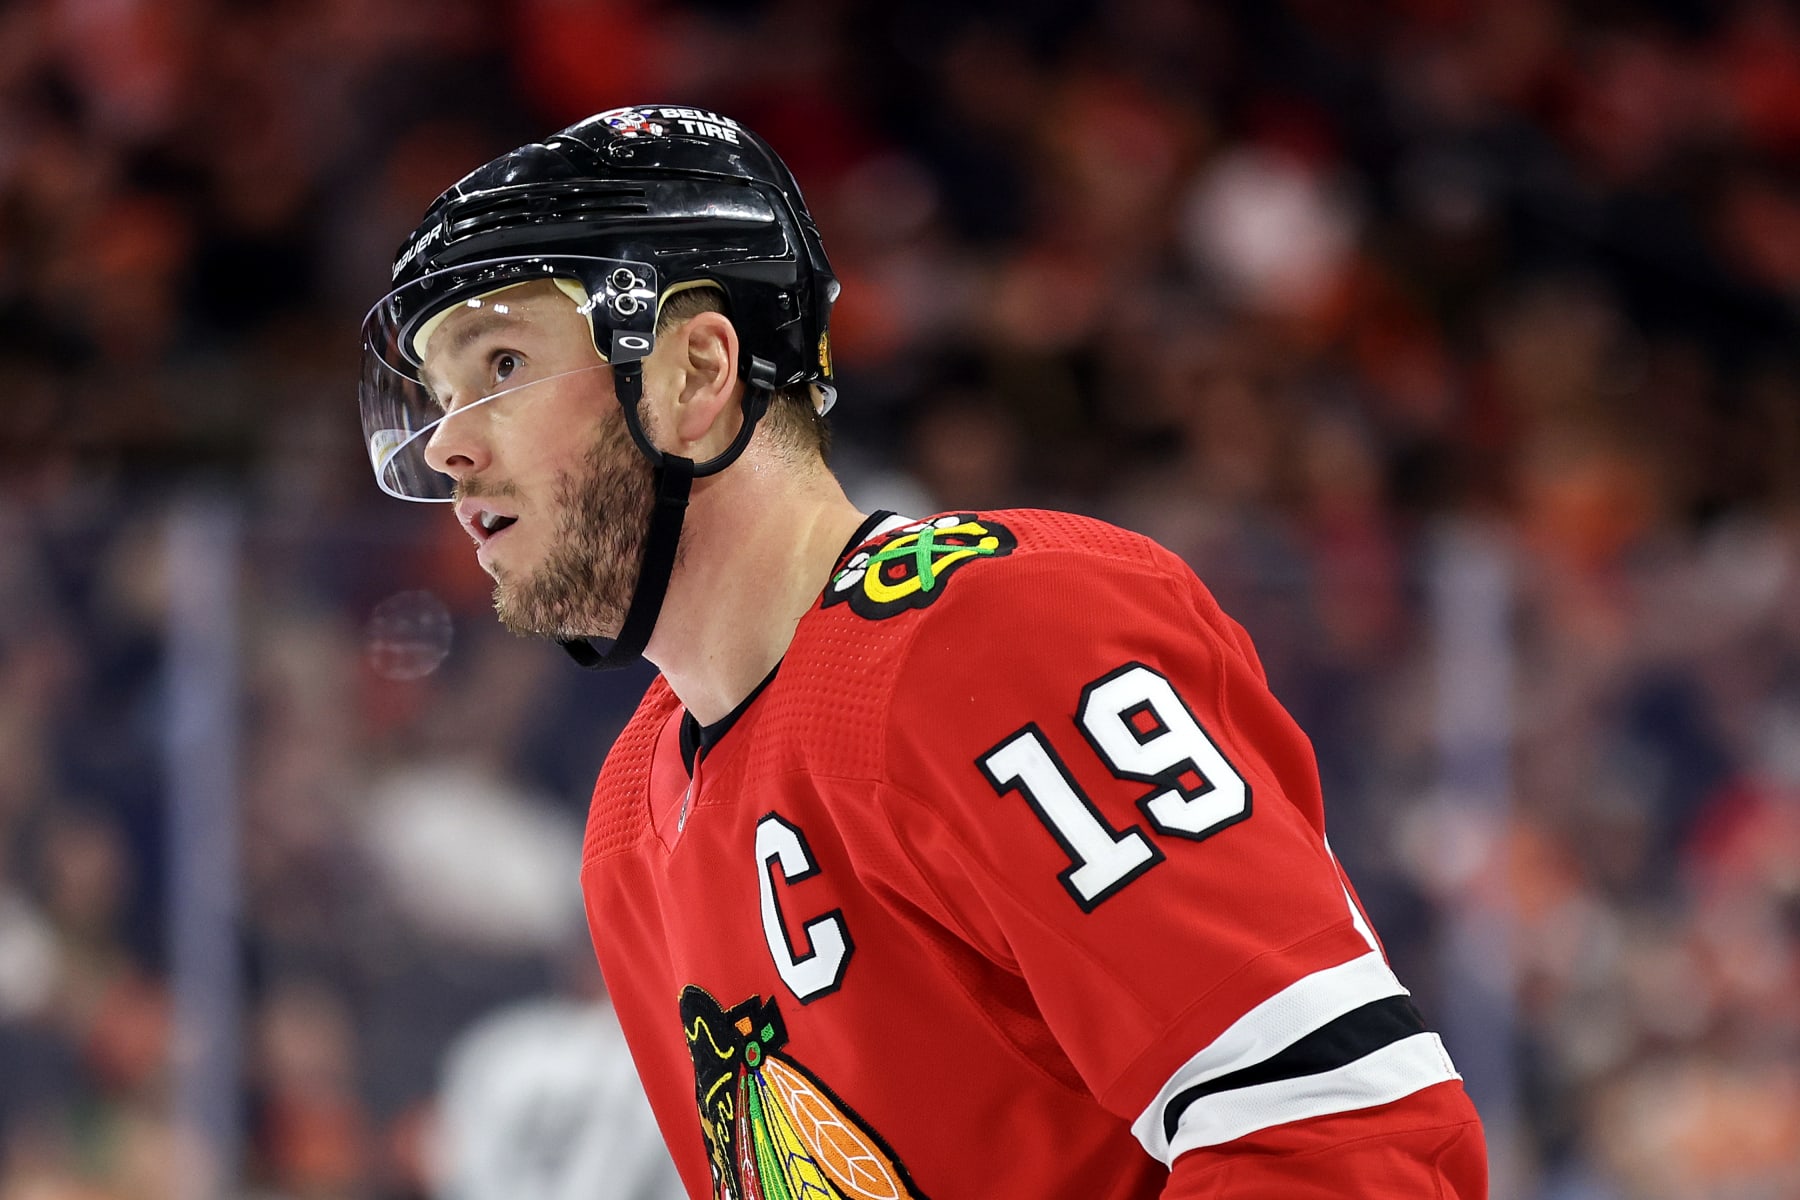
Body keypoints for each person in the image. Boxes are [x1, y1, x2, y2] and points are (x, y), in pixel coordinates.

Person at [357, 103, 1488, 1199]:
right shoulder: (630, 829)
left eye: (501, 366)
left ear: (697, 374)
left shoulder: (998, 633)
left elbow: (1345, 1139)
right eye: (441, 394)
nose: (448, 443)